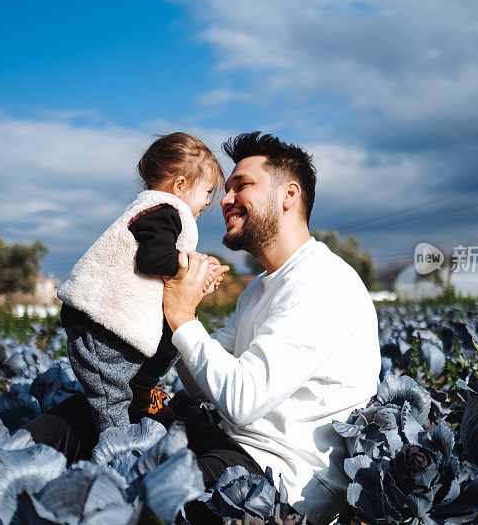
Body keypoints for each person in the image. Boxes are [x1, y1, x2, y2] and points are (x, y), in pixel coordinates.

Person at [162, 131, 381, 524]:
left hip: (276, 484)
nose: (225, 200)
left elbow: (241, 402)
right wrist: (171, 306)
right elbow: (200, 383)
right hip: (235, 450)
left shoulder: (321, 281)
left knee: (143, 497)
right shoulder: (262, 287)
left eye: (241, 186)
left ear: (289, 195)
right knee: (87, 424)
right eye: (225, 189)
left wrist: (183, 316)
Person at [55, 132, 229, 433]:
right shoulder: (161, 212)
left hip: (112, 324)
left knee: (175, 335)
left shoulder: (163, 216)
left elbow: (164, 265)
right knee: (110, 398)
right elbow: (152, 260)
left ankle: (140, 387)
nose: (209, 201)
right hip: (97, 327)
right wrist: (191, 266)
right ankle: (118, 451)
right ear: (180, 186)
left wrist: (196, 273)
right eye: (208, 191)